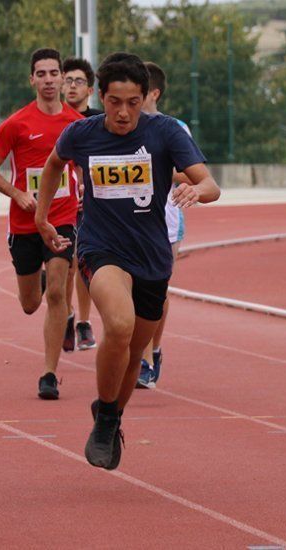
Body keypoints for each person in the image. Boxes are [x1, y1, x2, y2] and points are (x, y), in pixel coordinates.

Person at [35, 52, 220, 469]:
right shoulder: (81, 134)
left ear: (144, 99)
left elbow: (209, 183)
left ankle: (112, 413)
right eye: (115, 102)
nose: (122, 112)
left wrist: (197, 191)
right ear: (102, 96)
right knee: (119, 324)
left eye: (132, 103)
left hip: (151, 255)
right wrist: (42, 217)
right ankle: (104, 421)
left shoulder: (166, 133)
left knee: (135, 353)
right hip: (102, 249)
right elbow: (52, 166)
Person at [0, 48, 83, 400]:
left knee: (58, 293)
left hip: (63, 217)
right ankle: (36, 280)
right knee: (29, 304)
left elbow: (83, 166)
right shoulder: (16, 124)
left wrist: (82, 186)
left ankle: (49, 374)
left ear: (63, 79)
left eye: (55, 73)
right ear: (32, 80)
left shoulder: (75, 124)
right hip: (24, 223)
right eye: (42, 74)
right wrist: (17, 194)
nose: (50, 80)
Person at [136, 61, 192, 389]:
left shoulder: (175, 128)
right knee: (131, 290)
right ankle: (140, 358)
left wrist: (159, 170)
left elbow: (192, 172)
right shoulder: (122, 126)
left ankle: (153, 350)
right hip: (129, 222)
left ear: (153, 93)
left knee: (157, 291)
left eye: (139, 91)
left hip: (167, 222)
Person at [62, 57, 102, 350]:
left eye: (78, 81)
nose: (71, 86)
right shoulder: (52, 118)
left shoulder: (98, 122)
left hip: (91, 205)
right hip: (58, 205)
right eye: (68, 80)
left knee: (81, 261)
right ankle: (65, 313)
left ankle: (83, 322)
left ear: (90, 89)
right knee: (63, 266)